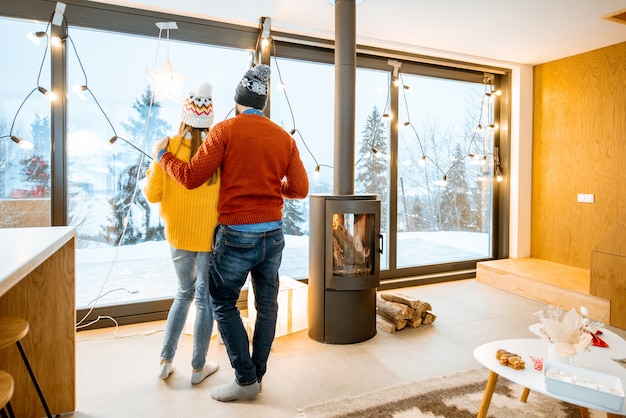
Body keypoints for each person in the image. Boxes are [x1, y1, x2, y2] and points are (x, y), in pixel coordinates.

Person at [152, 64, 309, 401]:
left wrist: (164, 156)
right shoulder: (284, 138)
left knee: (222, 302)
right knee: (267, 306)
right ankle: (257, 376)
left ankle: (245, 380)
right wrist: (273, 188)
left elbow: (192, 177)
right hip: (274, 235)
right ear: (263, 104)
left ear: (238, 101)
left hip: (237, 235)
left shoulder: (225, 131)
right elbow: (300, 187)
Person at [143, 82, 221, 385]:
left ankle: (165, 361)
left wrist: (156, 157)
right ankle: (199, 369)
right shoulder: (216, 152)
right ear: (209, 119)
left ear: (184, 116)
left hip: (178, 236)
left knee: (183, 294)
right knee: (204, 300)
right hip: (209, 238)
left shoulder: (168, 148)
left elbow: (152, 194)